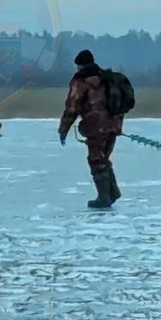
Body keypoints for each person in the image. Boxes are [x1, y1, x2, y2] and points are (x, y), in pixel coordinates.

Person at [58, 49, 125, 209]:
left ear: (79, 65)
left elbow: (72, 108)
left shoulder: (81, 81)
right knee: (104, 158)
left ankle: (104, 198)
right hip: (114, 124)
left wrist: (63, 129)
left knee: (96, 160)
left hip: (96, 126)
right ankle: (111, 192)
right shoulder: (107, 78)